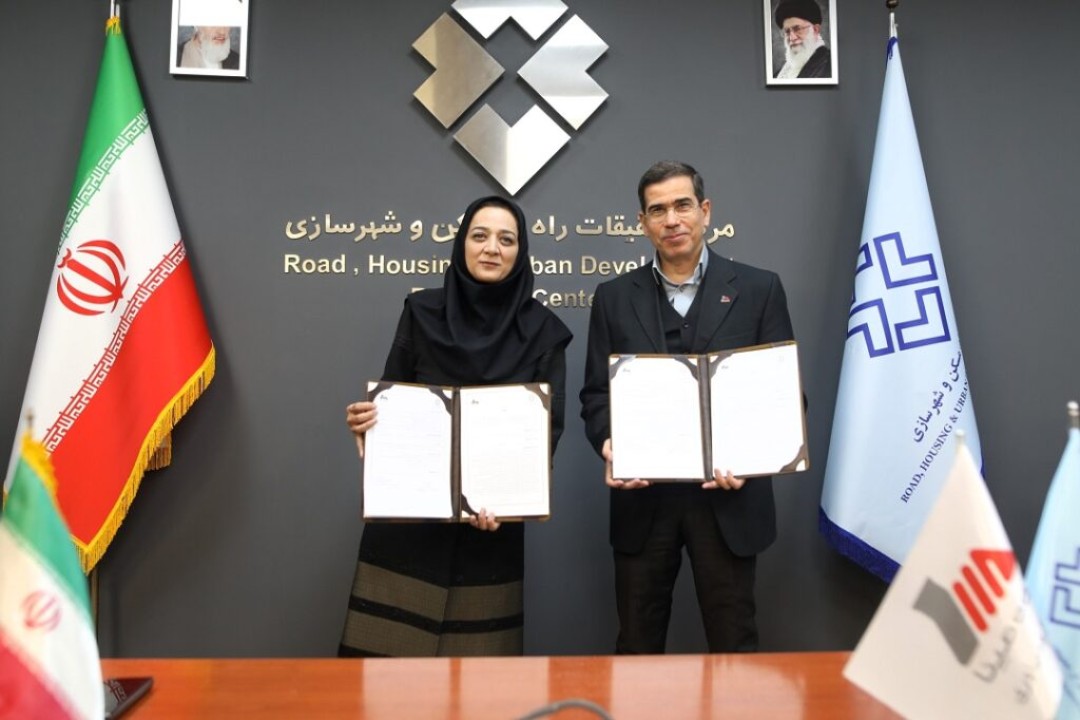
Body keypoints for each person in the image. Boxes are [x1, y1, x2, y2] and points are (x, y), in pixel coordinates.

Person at [339, 196, 572, 657]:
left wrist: (513, 500)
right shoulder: (421, 312)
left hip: (491, 529)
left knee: (480, 684)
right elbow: (390, 396)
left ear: (521, 252)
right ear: (462, 243)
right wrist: (366, 424)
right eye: (479, 235)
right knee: (385, 676)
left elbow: (548, 433)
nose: (492, 248)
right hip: (407, 524)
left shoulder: (544, 332)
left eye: (507, 239)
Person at [579, 161, 796, 654]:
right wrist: (610, 444)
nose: (672, 219)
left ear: (705, 211)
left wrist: (752, 459)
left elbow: (784, 395)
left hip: (729, 499)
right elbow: (596, 395)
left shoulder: (759, 289)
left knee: (734, 643)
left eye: (682, 205)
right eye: (658, 210)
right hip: (642, 502)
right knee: (636, 646)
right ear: (642, 223)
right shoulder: (613, 298)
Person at [774, 0, 831, 80]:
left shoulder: (830, 64)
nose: (792, 38)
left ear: (815, 30)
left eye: (797, 29)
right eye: (787, 31)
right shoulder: (778, 75)